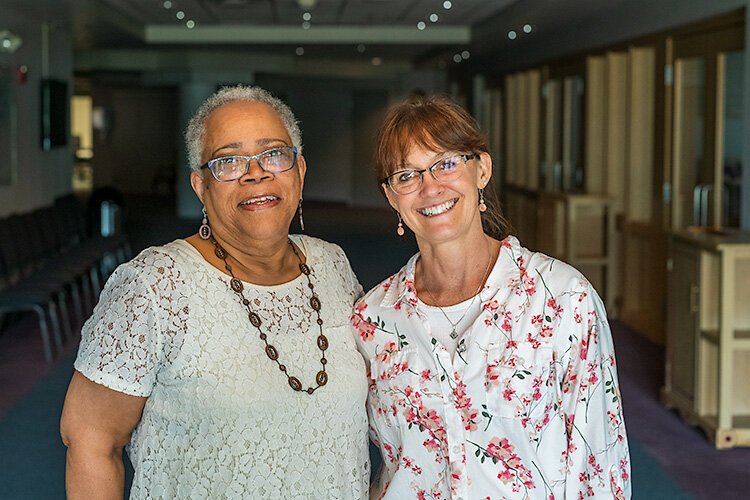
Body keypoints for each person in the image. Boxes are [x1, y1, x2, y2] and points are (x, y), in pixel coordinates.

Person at [61, 85, 370, 499]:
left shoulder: (332, 265)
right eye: (228, 161)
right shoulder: (155, 285)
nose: (255, 172)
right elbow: (91, 441)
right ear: (200, 186)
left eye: (274, 154)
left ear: (299, 171)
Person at [351, 94, 630, 499]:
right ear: (392, 196)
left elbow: (600, 467)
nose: (429, 187)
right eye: (407, 175)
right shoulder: (371, 319)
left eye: (446, 163)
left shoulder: (563, 299)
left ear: (481, 170)